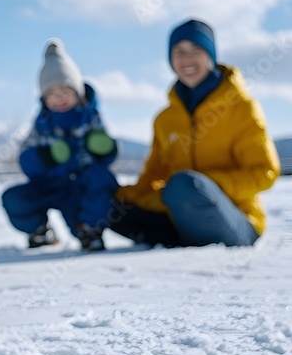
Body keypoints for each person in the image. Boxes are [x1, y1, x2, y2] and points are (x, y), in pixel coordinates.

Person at [108, 19, 280, 248]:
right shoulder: (165, 120)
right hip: (181, 210)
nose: (187, 59)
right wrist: (120, 196)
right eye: (179, 52)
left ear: (210, 55)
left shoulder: (242, 108)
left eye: (196, 50)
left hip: (237, 218)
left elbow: (264, 173)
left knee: (183, 186)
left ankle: (179, 231)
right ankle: (179, 234)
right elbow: (153, 174)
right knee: (106, 206)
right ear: (171, 60)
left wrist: (206, 187)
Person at [1, 39, 119, 252]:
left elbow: (106, 161)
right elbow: (26, 161)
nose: (59, 98)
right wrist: (46, 157)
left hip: (80, 188)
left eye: (66, 91)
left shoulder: (91, 120)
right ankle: (39, 230)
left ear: (78, 93)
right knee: (15, 198)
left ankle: (88, 229)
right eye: (52, 94)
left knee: (102, 180)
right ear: (44, 99)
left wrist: (105, 149)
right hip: (50, 185)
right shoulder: (41, 125)